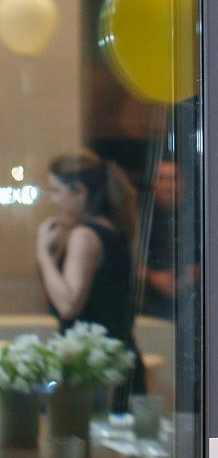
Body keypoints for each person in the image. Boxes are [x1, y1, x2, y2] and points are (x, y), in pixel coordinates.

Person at [36, 150, 147, 410]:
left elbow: (68, 305)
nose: (53, 199)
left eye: (56, 190)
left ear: (79, 191)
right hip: (116, 362)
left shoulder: (84, 236)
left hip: (94, 372)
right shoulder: (113, 230)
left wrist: (42, 253)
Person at [140, 158, 198, 318]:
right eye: (161, 178)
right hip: (149, 305)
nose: (167, 185)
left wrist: (195, 274)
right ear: (152, 183)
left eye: (173, 178)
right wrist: (152, 277)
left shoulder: (199, 215)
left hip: (195, 304)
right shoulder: (140, 217)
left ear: (183, 182)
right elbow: (126, 256)